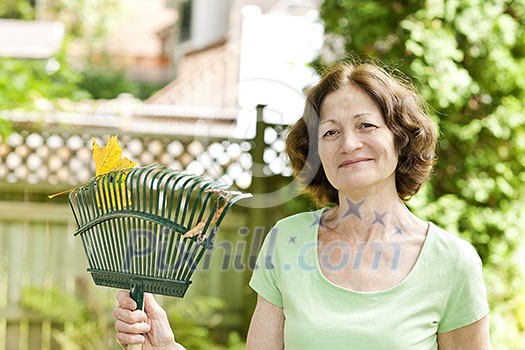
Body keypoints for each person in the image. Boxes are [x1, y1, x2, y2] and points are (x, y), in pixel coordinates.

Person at [113, 59, 490, 349]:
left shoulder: (452, 263)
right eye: (330, 132)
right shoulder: (288, 239)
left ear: (400, 138)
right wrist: (166, 346)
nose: (349, 144)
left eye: (366, 126)